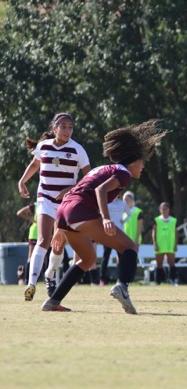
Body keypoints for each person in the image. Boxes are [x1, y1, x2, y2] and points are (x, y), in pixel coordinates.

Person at [40, 119, 169, 312]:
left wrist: (60, 227)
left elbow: (74, 191)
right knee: (130, 247)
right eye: (142, 162)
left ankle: (52, 302)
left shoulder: (100, 168)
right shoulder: (123, 172)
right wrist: (106, 218)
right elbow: (100, 190)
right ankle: (122, 287)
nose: (143, 167)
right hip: (80, 209)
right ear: (133, 161)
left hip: (66, 210)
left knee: (87, 259)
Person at [18, 112, 91, 301]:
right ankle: (31, 283)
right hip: (45, 198)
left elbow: (89, 178)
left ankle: (50, 274)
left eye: (70, 127)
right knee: (43, 239)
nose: (67, 130)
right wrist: (22, 181)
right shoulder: (44, 146)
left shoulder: (78, 150)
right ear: (54, 128)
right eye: (64, 126)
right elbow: (35, 164)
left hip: (67, 203)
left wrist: (70, 188)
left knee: (57, 246)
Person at [99, 195, 131, 285]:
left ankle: (121, 279)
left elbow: (129, 214)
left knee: (121, 256)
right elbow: (101, 215)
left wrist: (123, 221)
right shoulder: (106, 202)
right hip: (108, 232)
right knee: (106, 256)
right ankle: (102, 279)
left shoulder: (122, 203)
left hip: (119, 232)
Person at [152, 202, 178, 285]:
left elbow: (176, 233)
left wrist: (175, 244)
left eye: (166, 209)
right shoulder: (157, 220)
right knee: (159, 264)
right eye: (162, 209)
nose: (164, 211)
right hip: (160, 244)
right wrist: (155, 243)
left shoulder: (173, 220)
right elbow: (154, 232)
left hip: (170, 244)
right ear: (160, 210)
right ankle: (157, 281)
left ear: (169, 210)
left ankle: (173, 280)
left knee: (172, 263)